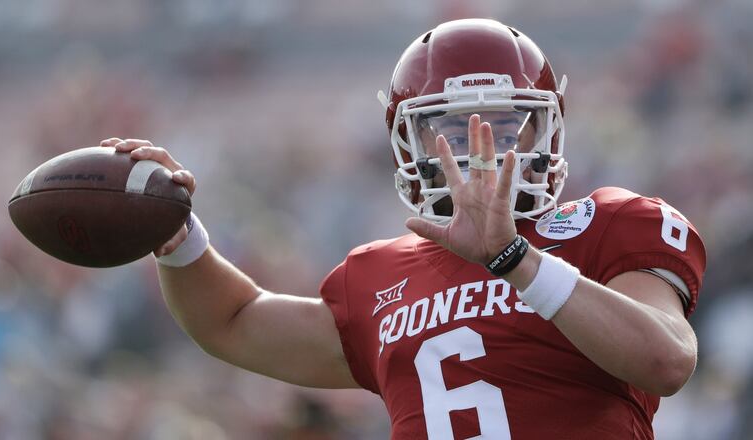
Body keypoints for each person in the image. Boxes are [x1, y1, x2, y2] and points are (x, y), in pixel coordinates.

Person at [101, 18, 706, 440]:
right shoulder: (378, 274)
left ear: (543, 132)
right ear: (406, 142)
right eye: (449, 127)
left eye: (501, 123)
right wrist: (179, 237)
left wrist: (516, 259)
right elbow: (233, 323)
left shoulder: (608, 224)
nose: (477, 149)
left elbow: (667, 360)